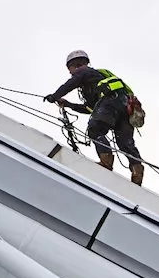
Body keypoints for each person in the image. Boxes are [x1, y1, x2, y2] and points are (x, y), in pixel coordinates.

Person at [44, 50, 144, 185]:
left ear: (77, 64)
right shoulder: (96, 81)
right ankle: (137, 169)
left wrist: (54, 96)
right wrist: (68, 104)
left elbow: (69, 85)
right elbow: (90, 108)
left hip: (110, 103)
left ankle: (106, 161)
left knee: (95, 129)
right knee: (124, 143)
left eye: (70, 69)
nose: (70, 73)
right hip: (125, 109)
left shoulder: (84, 71)